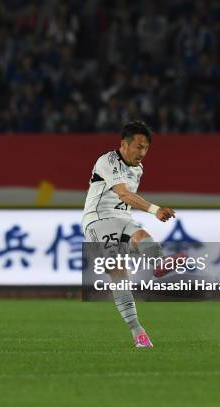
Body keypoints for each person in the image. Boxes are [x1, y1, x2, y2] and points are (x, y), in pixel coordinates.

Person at [81, 120, 178, 348]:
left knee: (143, 236)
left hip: (123, 219)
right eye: (139, 146)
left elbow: (126, 202)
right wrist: (155, 210)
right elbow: (123, 194)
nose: (142, 152)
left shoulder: (138, 169)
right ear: (124, 145)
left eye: (146, 148)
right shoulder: (107, 161)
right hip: (98, 220)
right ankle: (138, 332)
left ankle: (158, 264)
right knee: (118, 273)